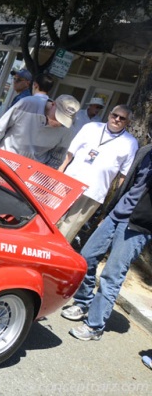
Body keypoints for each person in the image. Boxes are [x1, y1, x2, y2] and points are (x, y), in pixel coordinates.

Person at [61, 143, 152, 341]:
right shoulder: (146, 151)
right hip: (116, 214)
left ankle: (94, 326)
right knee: (87, 257)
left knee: (112, 274)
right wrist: (109, 211)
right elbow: (128, 185)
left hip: (138, 225)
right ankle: (83, 301)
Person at [56, 104, 137, 242]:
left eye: (122, 118)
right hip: (69, 181)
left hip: (94, 191)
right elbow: (71, 152)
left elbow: (124, 175)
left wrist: (114, 199)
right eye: (114, 115)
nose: (117, 119)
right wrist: (61, 169)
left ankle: (54, 254)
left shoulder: (131, 143)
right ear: (109, 114)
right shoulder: (91, 127)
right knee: (52, 217)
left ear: (128, 122)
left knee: (68, 229)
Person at [0, 94, 80, 168]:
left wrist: (42, 176)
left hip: (32, 172)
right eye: (57, 117)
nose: (59, 123)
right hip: (2, 161)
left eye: (63, 122)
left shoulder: (68, 129)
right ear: (53, 104)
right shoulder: (27, 104)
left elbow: (57, 157)